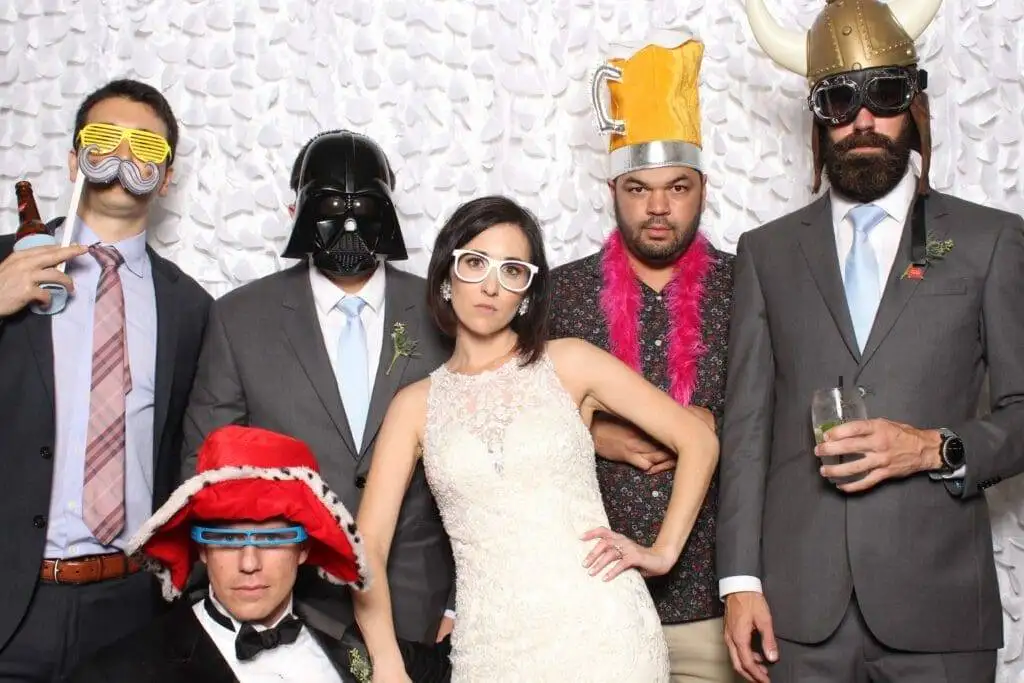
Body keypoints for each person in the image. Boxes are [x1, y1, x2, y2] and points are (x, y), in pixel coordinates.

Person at [719, 1, 1024, 681]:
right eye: (837, 100)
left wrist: (933, 447)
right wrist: (739, 581)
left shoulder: (990, 241)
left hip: (940, 610)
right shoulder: (766, 252)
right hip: (798, 616)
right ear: (818, 118)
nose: (862, 120)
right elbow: (745, 428)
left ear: (914, 102)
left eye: (883, 94)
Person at [352, 195, 720, 682]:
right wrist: (387, 664)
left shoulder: (570, 362)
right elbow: (366, 548)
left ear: (527, 291)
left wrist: (662, 551)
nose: (490, 285)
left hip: (607, 638)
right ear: (446, 276)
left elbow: (699, 440)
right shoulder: (414, 406)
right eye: (475, 262)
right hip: (490, 650)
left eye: (512, 270)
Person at [181, 130, 456, 645]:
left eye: (365, 207)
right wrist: (214, 603)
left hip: (418, 601)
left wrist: (459, 602)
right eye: (329, 207)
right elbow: (206, 468)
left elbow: (481, 461)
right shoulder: (239, 319)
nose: (348, 226)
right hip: (286, 598)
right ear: (295, 213)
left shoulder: (444, 313)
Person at [0, 78, 212, 681]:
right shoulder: (5, 268)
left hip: (129, 607)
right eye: (105, 138)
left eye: (147, 147)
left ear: (165, 177)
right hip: (11, 600)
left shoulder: (191, 309)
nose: (125, 156)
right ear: (74, 159)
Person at [550, 39, 738, 682]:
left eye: (676, 187)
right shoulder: (558, 294)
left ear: (702, 190)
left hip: (716, 611)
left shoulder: (750, 290)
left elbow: (783, 423)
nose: (658, 208)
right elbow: (505, 421)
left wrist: (716, 426)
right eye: (639, 188)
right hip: (589, 607)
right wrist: (596, 435)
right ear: (613, 190)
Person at [66, 424, 452, 683]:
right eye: (228, 540)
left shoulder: (363, 651)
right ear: (200, 548)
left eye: (270, 539)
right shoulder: (119, 672)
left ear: (303, 548)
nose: (249, 564)